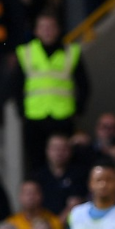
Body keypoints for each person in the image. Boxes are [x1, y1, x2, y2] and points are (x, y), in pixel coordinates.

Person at [13, 12, 89, 174]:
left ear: (58, 29)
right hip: (35, 118)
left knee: (67, 163)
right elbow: (16, 86)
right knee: (36, 163)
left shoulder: (71, 52)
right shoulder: (25, 53)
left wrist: (78, 109)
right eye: (43, 27)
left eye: (51, 27)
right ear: (36, 31)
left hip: (63, 117)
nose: (47, 31)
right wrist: (22, 112)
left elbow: (84, 85)